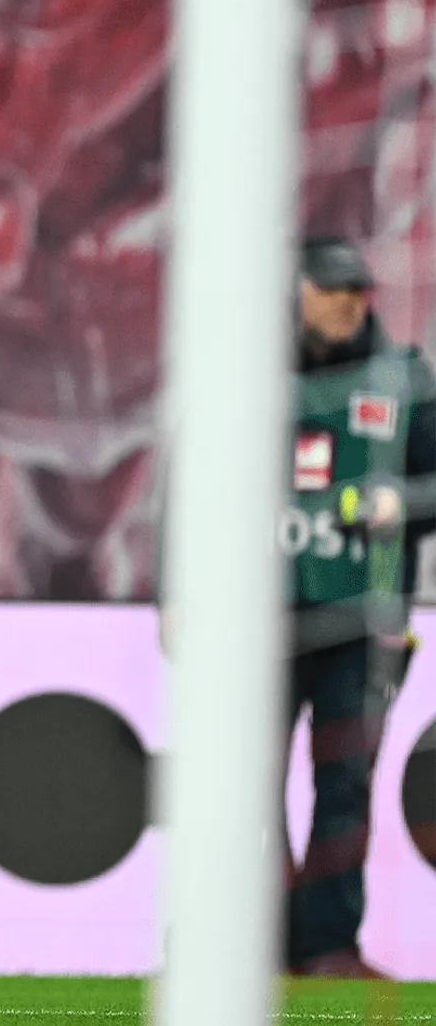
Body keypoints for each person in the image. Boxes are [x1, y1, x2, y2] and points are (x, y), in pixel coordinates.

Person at [282, 236, 433, 978]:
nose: (346, 305)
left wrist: (396, 499)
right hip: (264, 616)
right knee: (243, 781)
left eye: (356, 292)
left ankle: (325, 946)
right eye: (332, 289)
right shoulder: (249, 368)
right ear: (301, 290)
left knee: (344, 782)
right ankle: (254, 938)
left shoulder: (403, 377)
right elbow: (186, 482)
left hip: (365, 619)